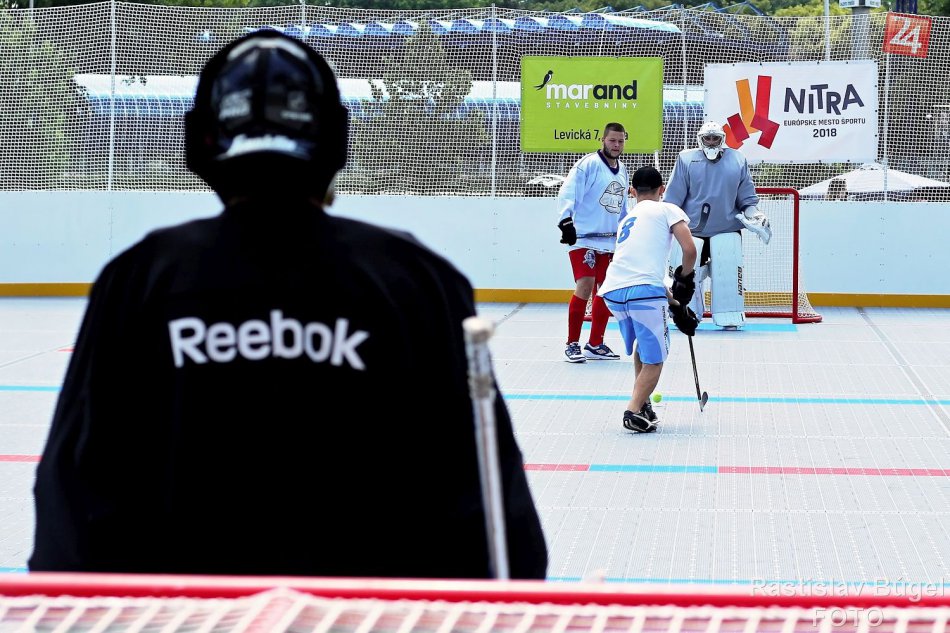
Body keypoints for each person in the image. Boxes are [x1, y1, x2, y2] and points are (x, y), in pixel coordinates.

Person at [29, 30, 547, 580]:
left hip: (180, 613)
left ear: (199, 143)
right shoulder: (416, 279)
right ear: (337, 142)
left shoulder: (142, 279)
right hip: (373, 615)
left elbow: (71, 498)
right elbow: (492, 511)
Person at [599, 166, 699, 432]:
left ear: (632, 192)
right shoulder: (667, 209)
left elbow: (640, 273)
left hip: (613, 293)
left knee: (644, 348)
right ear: (662, 189)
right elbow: (690, 250)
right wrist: (684, 279)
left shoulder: (626, 220)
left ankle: (643, 404)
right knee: (655, 359)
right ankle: (632, 411)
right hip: (643, 293)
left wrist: (676, 306)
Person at [663, 121, 771, 330]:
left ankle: (729, 315)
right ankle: (685, 312)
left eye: (715, 138)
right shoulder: (686, 159)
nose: (711, 142)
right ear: (700, 139)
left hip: (727, 229)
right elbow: (673, 199)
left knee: (727, 273)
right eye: (708, 138)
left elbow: (747, 200)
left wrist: (756, 215)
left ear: (722, 140)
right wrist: (667, 225)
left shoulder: (738, 159)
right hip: (691, 231)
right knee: (687, 274)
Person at [556, 122, 629, 362]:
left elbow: (622, 208)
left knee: (606, 290)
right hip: (583, 239)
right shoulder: (587, 164)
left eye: (620, 141)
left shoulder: (623, 170)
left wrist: (626, 231)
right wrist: (566, 221)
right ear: (603, 140)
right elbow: (568, 192)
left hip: (609, 241)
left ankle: (595, 344)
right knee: (585, 285)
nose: (616, 145)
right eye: (612, 140)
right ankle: (572, 344)